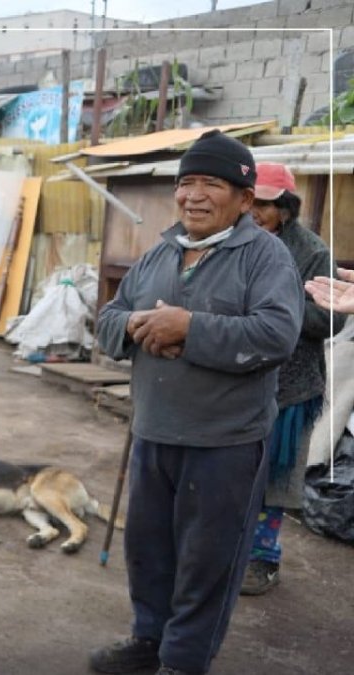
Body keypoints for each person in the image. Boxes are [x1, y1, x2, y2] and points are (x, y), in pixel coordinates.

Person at [92, 130, 304, 675]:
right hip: (155, 431)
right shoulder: (161, 252)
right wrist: (140, 324)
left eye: (212, 183)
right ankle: (148, 640)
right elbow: (109, 319)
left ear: (244, 198)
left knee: (206, 562)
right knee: (149, 552)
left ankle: (183, 661)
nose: (194, 195)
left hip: (225, 441)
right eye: (187, 183)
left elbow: (276, 334)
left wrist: (189, 328)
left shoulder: (264, 256)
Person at [239, 162, 333, 595]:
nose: (255, 211)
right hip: (240, 379)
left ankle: (263, 559)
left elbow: (328, 321)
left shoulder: (311, 252)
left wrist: (274, 312)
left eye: (266, 204)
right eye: (251, 201)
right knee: (233, 473)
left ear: (287, 208)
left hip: (291, 385)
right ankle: (228, 552)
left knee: (275, 478)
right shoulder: (236, 241)